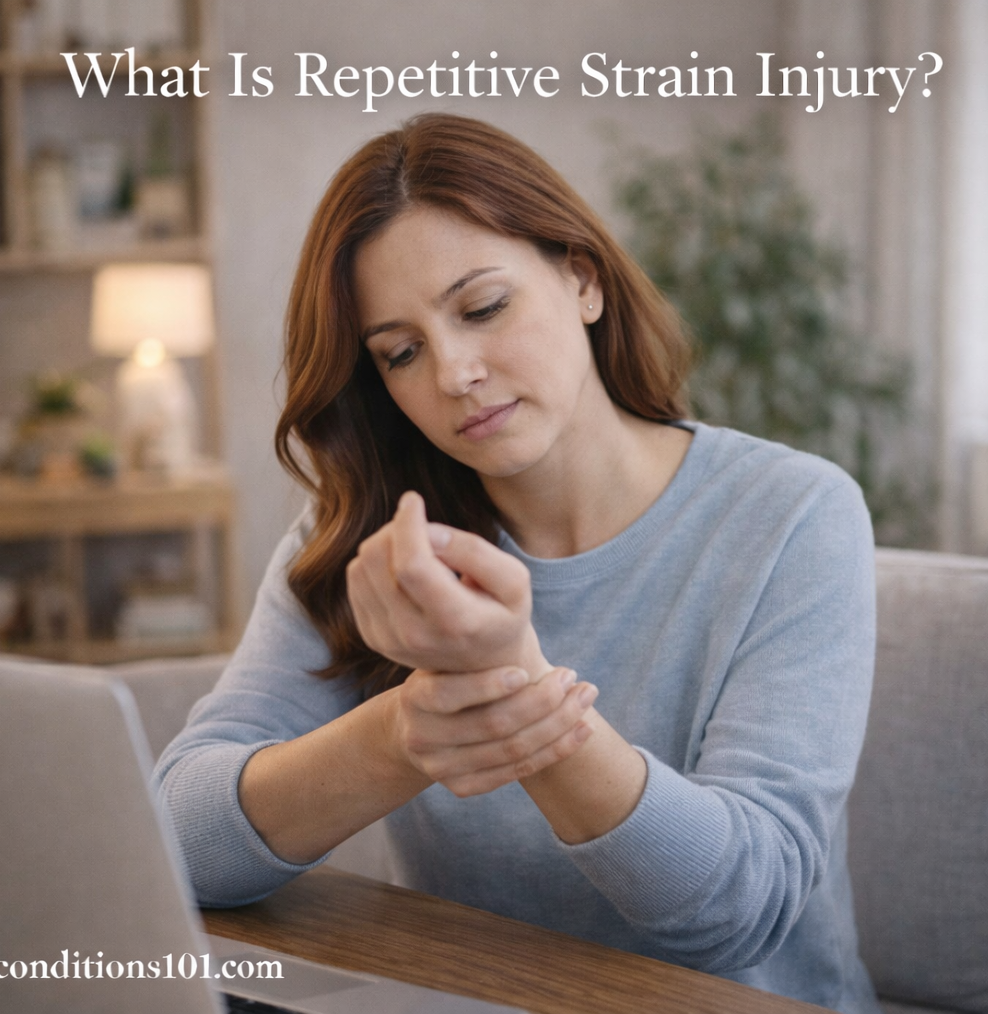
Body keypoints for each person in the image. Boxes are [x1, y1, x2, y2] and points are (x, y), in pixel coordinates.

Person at [152, 113, 880, 1014]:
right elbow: (173, 842)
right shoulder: (365, 539)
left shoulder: (792, 515)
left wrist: (515, 691)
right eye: (401, 353)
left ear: (582, 279)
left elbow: (738, 911)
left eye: (483, 307)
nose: (454, 372)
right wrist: (402, 732)